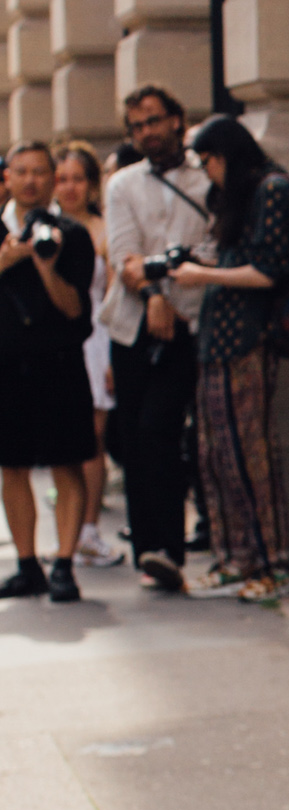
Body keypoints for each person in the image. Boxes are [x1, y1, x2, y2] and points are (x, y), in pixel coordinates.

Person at [168, 115, 289, 602]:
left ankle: (274, 564)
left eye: (206, 161)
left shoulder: (272, 189)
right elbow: (232, 257)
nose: (206, 172)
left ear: (223, 155)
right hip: (215, 340)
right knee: (213, 455)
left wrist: (202, 276)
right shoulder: (237, 198)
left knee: (251, 457)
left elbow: (269, 271)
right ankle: (235, 558)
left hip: (248, 340)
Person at [103, 84, 215, 592]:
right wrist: (154, 293)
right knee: (133, 436)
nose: (146, 131)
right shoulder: (122, 185)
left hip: (190, 327)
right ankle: (148, 549)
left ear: (176, 119)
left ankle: (168, 545)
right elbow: (123, 256)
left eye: (153, 120)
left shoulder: (206, 179)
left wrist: (167, 289)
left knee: (161, 432)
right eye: (136, 125)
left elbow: (212, 251)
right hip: (131, 329)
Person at [0, 139, 97, 603]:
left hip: (59, 364)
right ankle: (25, 564)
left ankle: (64, 563)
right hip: (6, 366)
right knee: (12, 466)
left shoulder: (71, 234)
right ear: (8, 178)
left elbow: (76, 310)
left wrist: (44, 265)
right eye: (22, 172)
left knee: (66, 462)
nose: (31, 181)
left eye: (40, 172)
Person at [52, 141, 121, 567]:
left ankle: (89, 530)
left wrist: (114, 355)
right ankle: (69, 531)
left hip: (97, 339)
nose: (70, 187)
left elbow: (113, 294)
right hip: (55, 344)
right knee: (62, 443)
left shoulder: (103, 229)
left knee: (90, 439)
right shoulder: (41, 229)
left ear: (92, 184)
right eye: (62, 179)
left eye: (78, 178)